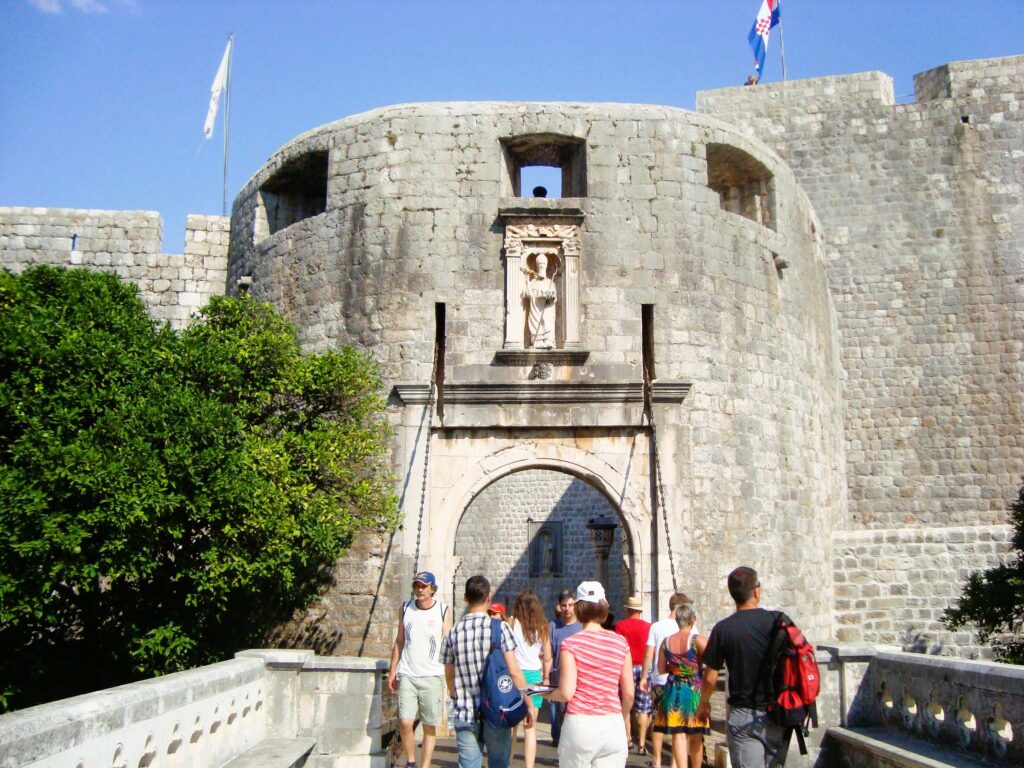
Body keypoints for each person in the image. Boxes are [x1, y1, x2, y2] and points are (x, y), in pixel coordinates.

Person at [695, 567, 789, 768]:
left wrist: (704, 703)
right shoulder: (778, 621)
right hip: (778, 711)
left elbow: (711, 677)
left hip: (743, 715)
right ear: (757, 591)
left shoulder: (724, 629)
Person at [441, 574, 533, 768]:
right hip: (498, 712)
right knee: (499, 764)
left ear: (465, 598)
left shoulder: (453, 633)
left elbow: (449, 674)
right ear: (489, 597)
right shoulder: (500, 629)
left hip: (466, 712)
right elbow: (514, 671)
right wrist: (528, 703)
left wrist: (454, 694)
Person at [542, 581, 634, 768]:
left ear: (579, 608)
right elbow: (629, 694)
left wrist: (541, 692)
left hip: (580, 724)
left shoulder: (571, 644)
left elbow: (566, 693)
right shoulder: (620, 643)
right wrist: (619, 716)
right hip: (612, 724)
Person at [387, 571, 452, 768]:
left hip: (432, 675)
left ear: (433, 589)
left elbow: (448, 645)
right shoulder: (405, 609)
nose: (420, 589)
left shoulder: (443, 610)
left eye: (424, 586)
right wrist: (392, 671)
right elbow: (399, 641)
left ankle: (424, 765)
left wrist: (450, 678)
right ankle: (411, 761)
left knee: (429, 726)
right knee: (406, 722)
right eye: (417, 585)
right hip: (408, 673)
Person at [639, 593, 696, 768]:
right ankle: (674, 762)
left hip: (660, 679)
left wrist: (644, 676)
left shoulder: (656, 626)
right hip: (685, 683)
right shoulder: (692, 629)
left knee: (659, 721)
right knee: (682, 724)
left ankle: (656, 760)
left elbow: (649, 652)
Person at [653, 603, 709, 768]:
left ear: (677, 620)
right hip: (693, 690)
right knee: (696, 733)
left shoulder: (666, 642)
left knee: (678, 733)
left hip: (673, 690)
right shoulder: (697, 640)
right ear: (693, 620)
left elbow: (661, 669)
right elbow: (713, 660)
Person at [509, 589, 553, 768]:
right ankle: (529, 766)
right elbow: (548, 657)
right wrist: (547, 677)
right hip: (535, 676)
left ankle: (508, 762)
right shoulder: (543, 625)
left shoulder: (512, 622)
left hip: (515, 675)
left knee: (511, 727)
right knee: (530, 726)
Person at [614, 595, 652, 753]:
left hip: (626, 668)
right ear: (640, 611)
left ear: (628, 610)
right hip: (644, 669)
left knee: (626, 703)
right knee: (643, 706)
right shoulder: (649, 627)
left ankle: (628, 739)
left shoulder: (621, 626)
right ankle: (642, 744)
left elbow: (618, 648)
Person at [547, 588, 583, 747]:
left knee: (574, 716)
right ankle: (559, 741)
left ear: (575, 605)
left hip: (578, 677)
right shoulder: (553, 626)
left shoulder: (582, 627)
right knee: (559, 714)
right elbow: (548, 654)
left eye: (570, 605)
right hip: (558, 675)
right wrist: (546, 676)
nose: (567, 609)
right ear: (559, 606)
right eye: (564, 605)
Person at [523, 253, 558, 350]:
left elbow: (554, 296)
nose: (542, 266)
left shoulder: (550, 282)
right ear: (537, 266)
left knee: (547, 322)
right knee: (535, 322)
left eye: (543, 265)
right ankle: (537, 342)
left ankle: (548, 341)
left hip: (547, 308)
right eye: (540, 265)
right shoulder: (533, 282)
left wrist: (550, 296)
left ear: (546, 267)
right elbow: (528, 294)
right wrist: (529, 290)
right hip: (536, 308)